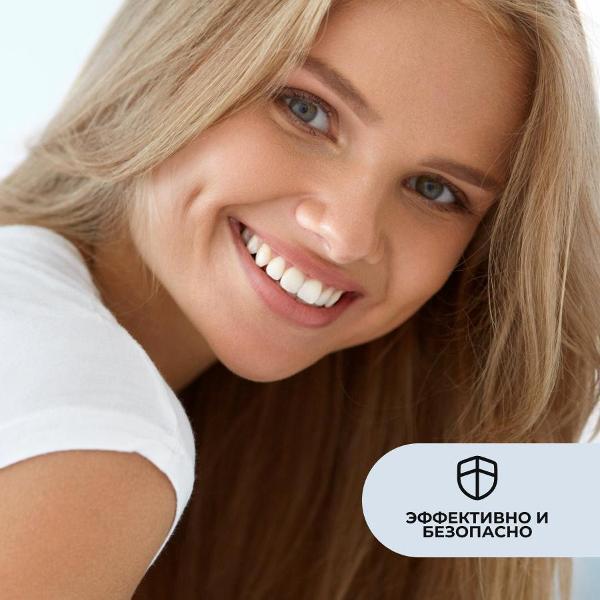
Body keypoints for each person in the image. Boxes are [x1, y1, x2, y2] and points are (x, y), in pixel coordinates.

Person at [0, 0, 598, 598]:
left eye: (433, 189)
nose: (347, 234)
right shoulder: (97, 434)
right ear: (178, 59)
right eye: (306, 110)